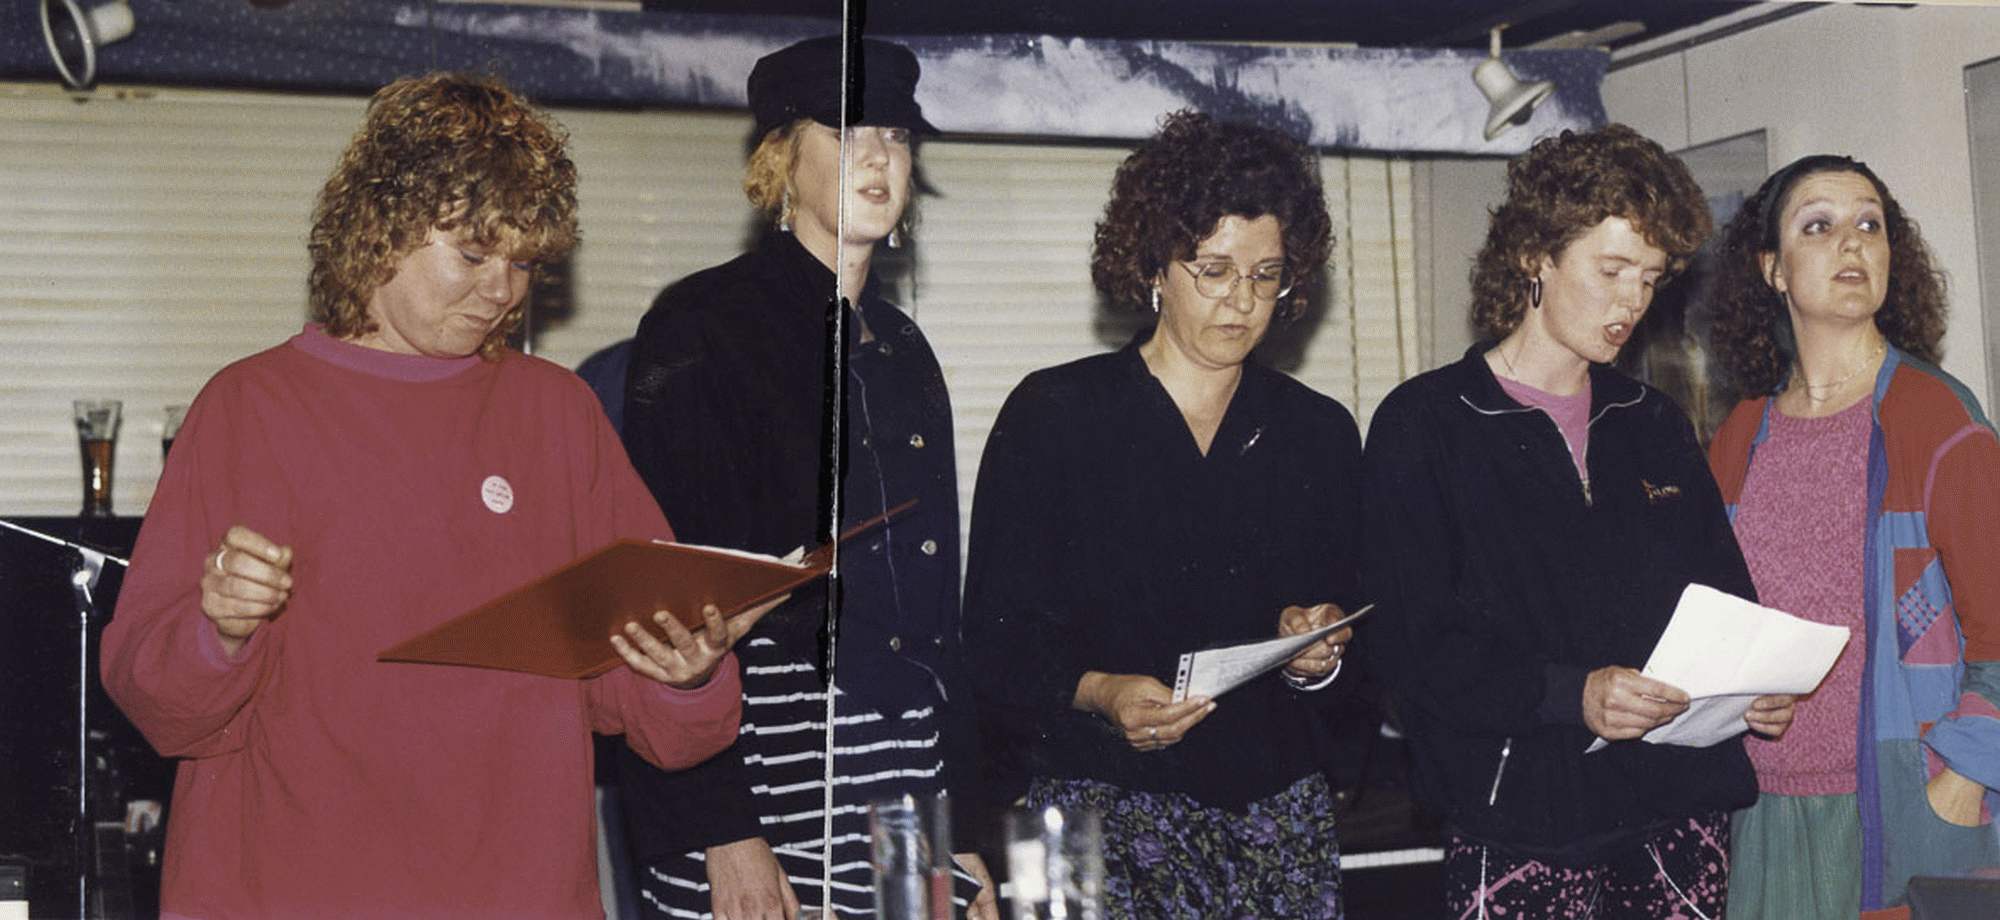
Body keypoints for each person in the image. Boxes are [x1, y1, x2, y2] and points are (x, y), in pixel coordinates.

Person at [98, 72, 764, 918]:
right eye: (474, 255)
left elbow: (652, 715)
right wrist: (217, 630)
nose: (503, 290)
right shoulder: (248, 408)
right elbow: (155, 703)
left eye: (523, 263)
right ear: (380, 228)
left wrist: (688, 676)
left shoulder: (557, 415)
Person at [1360, 124, 1798, 918]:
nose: (1633, 300)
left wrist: (1756, 686)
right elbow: (1412, 648)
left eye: (1651, 277)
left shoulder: (1652, 422)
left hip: (1677, 814)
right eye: (1612, 269)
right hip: (1520, 820)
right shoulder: (1426, 425)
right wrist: (1574, 694)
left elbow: (1724, 603)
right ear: (1536, 255)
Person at [616, 36, 998, 920]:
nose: (880, 157)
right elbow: (675, 605)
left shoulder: (903, 346)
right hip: (757, 770)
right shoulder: (700, 323)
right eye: (848, 132)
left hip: (905, 773)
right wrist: (721, 829)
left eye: (897, 135)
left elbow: (932, 617)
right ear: (781, 157)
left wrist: (963, 825)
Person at [962, 109, 1357, 919]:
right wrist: (1102, 691)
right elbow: (997, 643)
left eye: (1266, 275)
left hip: (1276, 817)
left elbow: (1352, 631)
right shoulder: (1056, 414)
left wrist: (1316, 649)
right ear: (1153, 265)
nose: (1241, 300)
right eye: (1213, 270)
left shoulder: (1317, 431)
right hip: (1095, 811)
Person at [1706, 154, 2000, 917]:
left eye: (1870, 224)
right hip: (1759, 812)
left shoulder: (1937, 419)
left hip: (1900, 813)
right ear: (1772, 269)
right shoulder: (1738, 436)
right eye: (1819, 225)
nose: (1852, 242)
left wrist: (1965, 774)